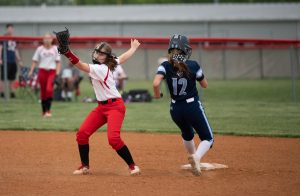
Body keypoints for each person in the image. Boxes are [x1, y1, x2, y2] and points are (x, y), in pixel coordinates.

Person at [54, 28, 141, 176]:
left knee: (113, 139)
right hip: (102, 107)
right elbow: (123, 58)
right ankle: (84, 166)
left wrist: (67, 52)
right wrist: (132, 48)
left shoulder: (101, 68)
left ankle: (133, 166)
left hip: (115, 107)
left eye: (101, 54)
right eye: (97, 52)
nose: (97, 54)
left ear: (106, 57)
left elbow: (80, 65)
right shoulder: (110, 63)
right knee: (82, 134)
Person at [152, 34, 214, 176]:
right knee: (208, 138)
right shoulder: (193, 65)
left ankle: (193, 159)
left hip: (175, 109)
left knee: (187, 134)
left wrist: (157, 95)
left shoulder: (165, 65)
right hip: (192, 106)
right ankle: (196, 157)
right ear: (185, 50)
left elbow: (156, 83)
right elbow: (205, 85)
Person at [29, 33, 61, 117]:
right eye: (45, 38)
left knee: (49, 90)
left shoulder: (55, 48)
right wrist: (31, 71)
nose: (47, 40)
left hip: (52, 71)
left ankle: (48, 111)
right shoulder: (40, 49)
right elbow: (35, 61)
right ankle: (44, 111)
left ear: (51, 39)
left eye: (48, 38)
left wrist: (57, 73)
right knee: (43, 91)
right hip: (42, 71)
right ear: (43, 40)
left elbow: (58, 62)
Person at [0, 24, 23, 98]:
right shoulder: (3, 38)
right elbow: (0, 48)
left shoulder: (14, 38)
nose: (10, 30)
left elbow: (15, 50)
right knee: (3, 78)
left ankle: (12, 93)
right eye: (9, 28)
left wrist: (19, 60)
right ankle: (2, 93)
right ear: (7, 29)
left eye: (11, 28)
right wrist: (0, 58)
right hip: (5, 60)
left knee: (12, 78)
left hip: (13, 61)